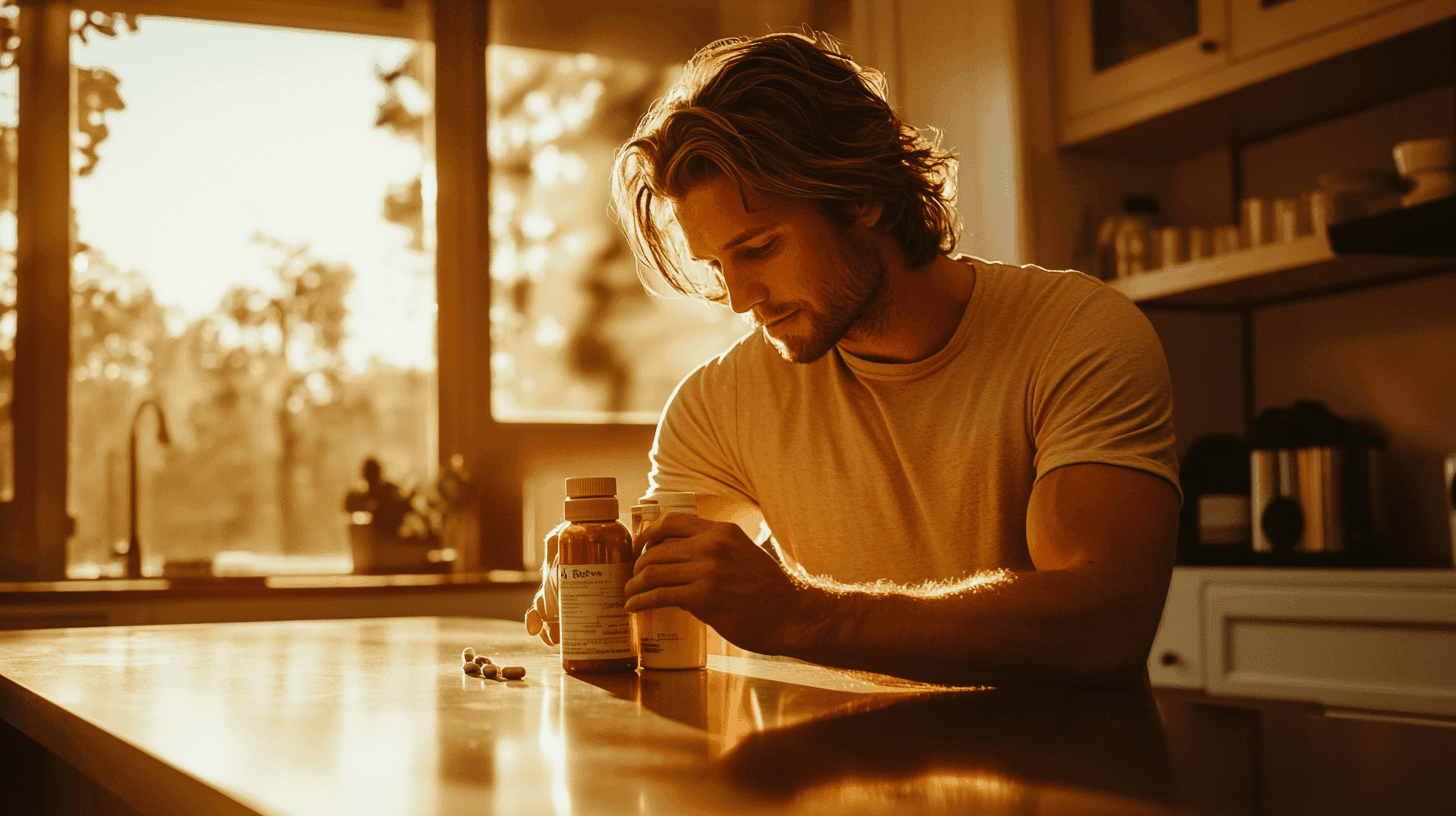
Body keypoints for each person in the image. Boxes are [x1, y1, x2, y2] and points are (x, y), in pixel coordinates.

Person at [526, 30, 1180, 687]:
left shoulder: (1078, 334)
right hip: (837, 776)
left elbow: (1105, 622)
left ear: (861, 195)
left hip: (1072, 779)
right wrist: (599, 575)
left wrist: (799, 614)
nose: (741, 299)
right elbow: (663, 595)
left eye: (759, 248)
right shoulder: (717, 407)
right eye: (718, 266)